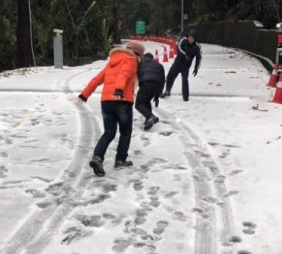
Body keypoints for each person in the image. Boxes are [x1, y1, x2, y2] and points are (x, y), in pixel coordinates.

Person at [76, 40, 145, 177]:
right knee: (125, 133)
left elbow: (97, 79)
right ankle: (120, 161)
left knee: (109, 132)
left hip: (106, 102)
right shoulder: (130, 60)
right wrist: (119, 88)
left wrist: (84, 94)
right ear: (137, 54)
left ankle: (98, 157)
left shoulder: (112, 62)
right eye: (141, 57)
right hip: (121, 100)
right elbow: (124, 74)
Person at [161, 28, 202, 101]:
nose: (189, 39)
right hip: (177, 63)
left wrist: (196, 68)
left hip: (186, 66)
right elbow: (178, 47)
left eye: (191, 38)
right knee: (170, 76)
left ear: (194, 39)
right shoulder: (183, 40)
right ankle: (167, 91)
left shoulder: (197, 46)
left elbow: (199, 57)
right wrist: (185, 55)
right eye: (189, 37)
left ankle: (185, 97)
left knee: (185, 81)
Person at [135, 53, 165, 130]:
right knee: (146, 101)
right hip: (156, 86)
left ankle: (151, 117)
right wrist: (158, 94)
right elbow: (162, 80)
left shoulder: (140, 62)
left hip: (146, 83)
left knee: (138, 104)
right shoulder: (159, 65)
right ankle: (148, 120)